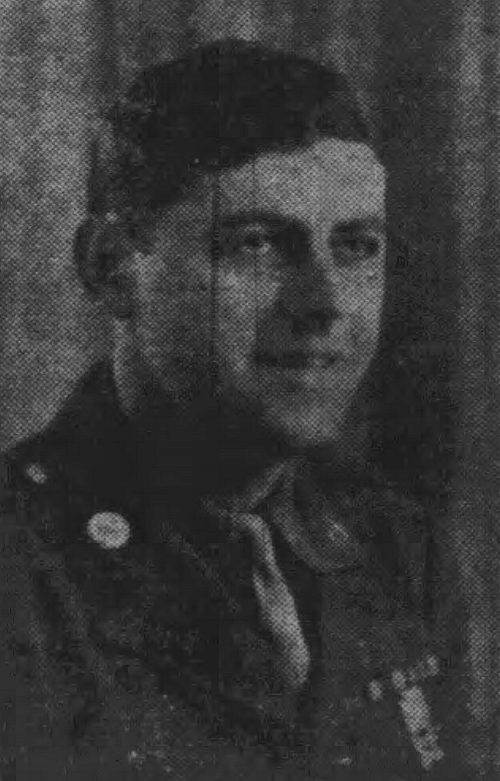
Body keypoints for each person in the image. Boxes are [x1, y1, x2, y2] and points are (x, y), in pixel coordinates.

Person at [2, 39, 469, 780]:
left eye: (357, 247)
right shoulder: (20, 570)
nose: (324, 303)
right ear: (112, 267)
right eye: (257, 245)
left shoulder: (401, 554)